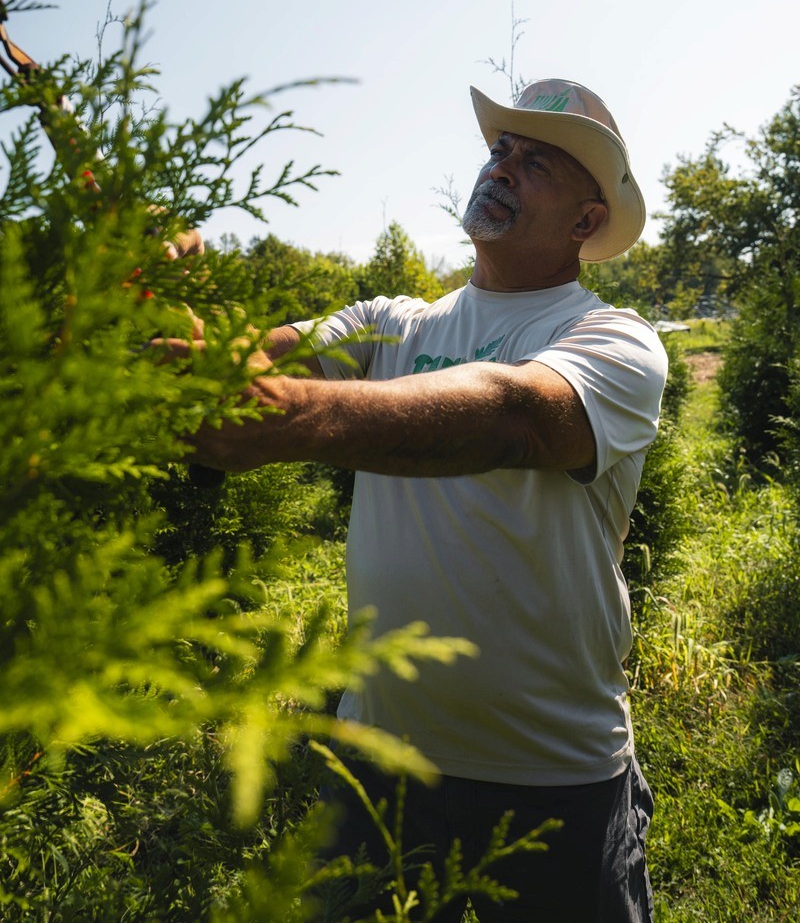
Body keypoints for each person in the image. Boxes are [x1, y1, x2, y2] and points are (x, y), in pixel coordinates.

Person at [171, 78, 668, 922]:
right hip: (380, 759)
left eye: (537, 161)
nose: (504, 167)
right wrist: (159, 283)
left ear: (587, 223)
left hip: (555, 771)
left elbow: (515, 419)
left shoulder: (613, 340)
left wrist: (289, 420)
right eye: (500, 150)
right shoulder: (392, 323)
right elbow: (242, 369)